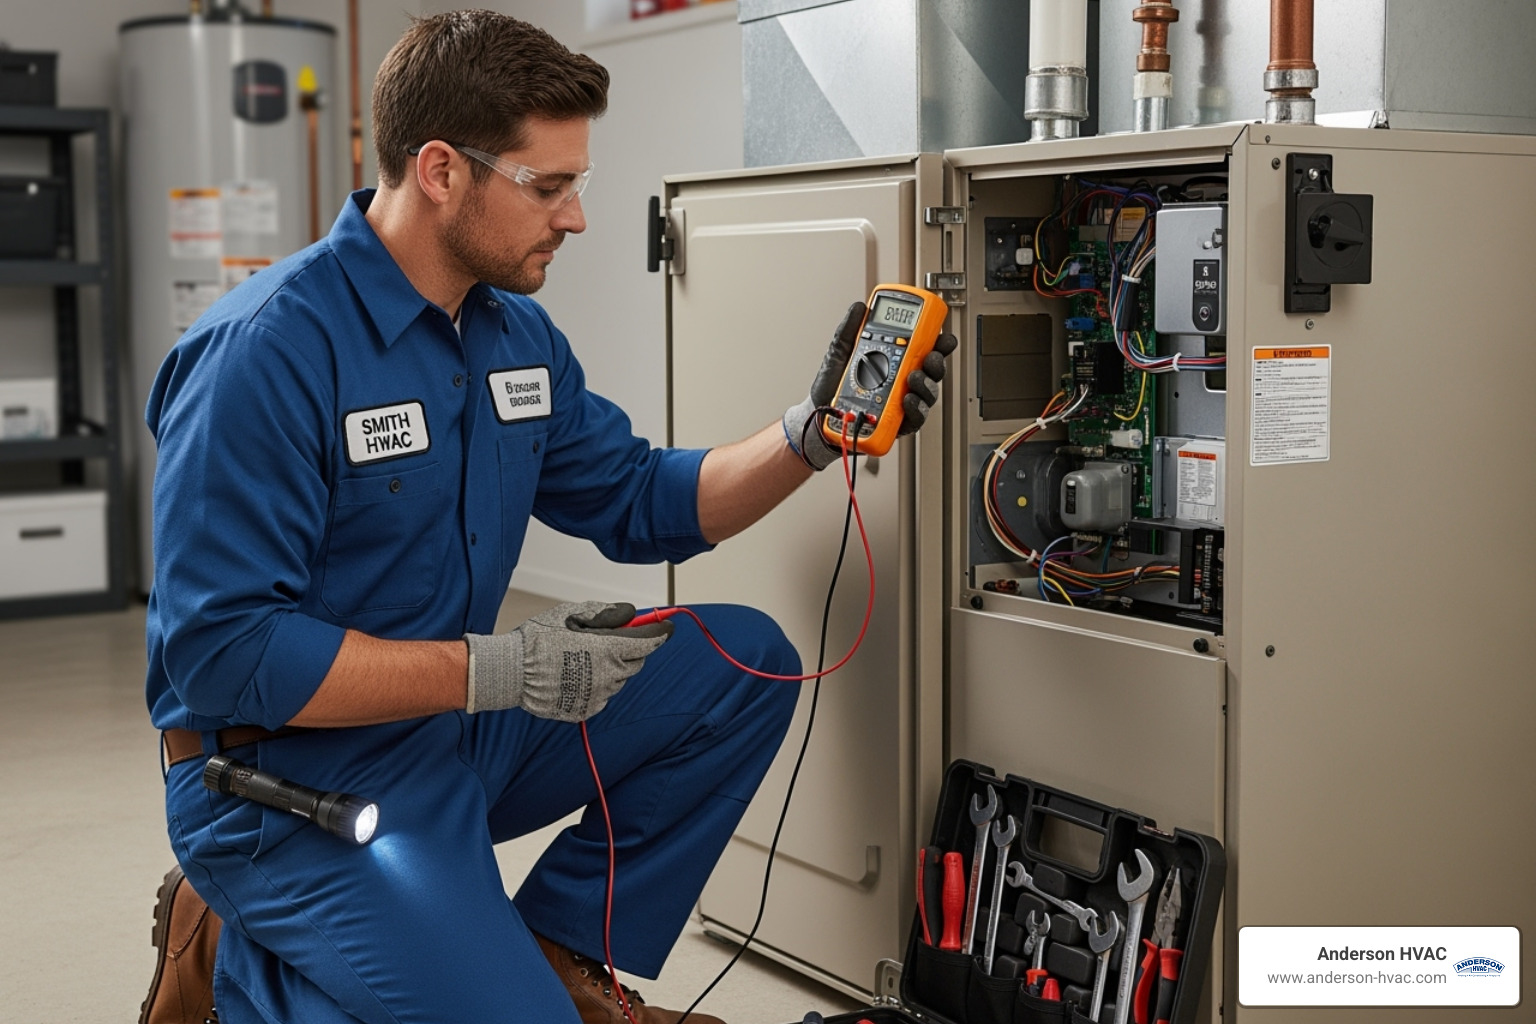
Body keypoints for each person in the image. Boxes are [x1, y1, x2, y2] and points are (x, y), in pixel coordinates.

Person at [138, 11, 953, 1024]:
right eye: (547, 185)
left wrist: (811, 434)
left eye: (579, 184)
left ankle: (559, 952)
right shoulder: (264, 355)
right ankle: (235, 960)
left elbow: (645, 500)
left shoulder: (513, 338)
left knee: (742, 660)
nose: (574, 218)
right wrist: (496, 669)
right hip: (277, 783)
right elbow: (220, 656)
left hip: (449, 733)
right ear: (440, 170)